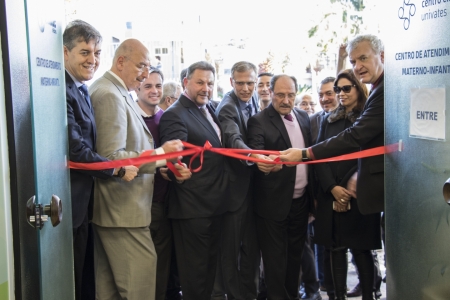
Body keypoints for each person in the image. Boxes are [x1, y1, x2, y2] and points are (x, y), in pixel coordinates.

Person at [89, 38, 188, 300]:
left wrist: (162, 163)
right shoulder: (109, 94)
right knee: (142, 289)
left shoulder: (118, 92)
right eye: (141, 66)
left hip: (122, 213)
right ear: (121, 61)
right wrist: (160, 154)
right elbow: (112, 158)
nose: (145, 74)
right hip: (123, 214)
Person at [63, 20, 139, 300]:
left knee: (86, 283)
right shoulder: (63, 92)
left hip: (86, 206)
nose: (92, 60)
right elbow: (75, 150)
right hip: (72, 205)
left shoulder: (81, 89)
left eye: (96, 53)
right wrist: (117, 168)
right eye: (85, 52)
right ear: (65, 53)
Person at [280, 33, 385, 215]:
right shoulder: (378, 87)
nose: (358, 67)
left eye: (363, 58)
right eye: (353, 62)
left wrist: (305, 154)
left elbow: (356, 135)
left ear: (382, 56)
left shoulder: (384, 89)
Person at [159, 61, 230, 300]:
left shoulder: (209, 109)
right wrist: (175, 168)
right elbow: (173, 154)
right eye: (200, 82)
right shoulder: (175, 114)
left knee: (208, 275)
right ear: (185, 83)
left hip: (214, 206)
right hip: (192, 209)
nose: (206, 88)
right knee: (195, 278)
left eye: (210, 83)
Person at [314, 69, 381, 300]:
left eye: (346, 88)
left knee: (362, 249)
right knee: (335, 249)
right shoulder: (328, 118)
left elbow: (370, 156)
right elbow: (319, 156)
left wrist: (348, 189)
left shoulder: (369, 116)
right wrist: (333, 188)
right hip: (331, 194)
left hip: (360, 193)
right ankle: (338, 296)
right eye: (337, 89)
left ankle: (369, 295)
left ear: (356, 87)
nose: (340, 93)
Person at [247, 74, 313, 300]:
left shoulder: (304, 118)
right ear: (271, 93)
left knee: (295, 259)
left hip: (301, 203)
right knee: (275, 263)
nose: (286, 100)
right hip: (272, 205)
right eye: (281, 95)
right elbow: (257, 155)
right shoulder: (259, 121)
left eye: (291, 95)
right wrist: (266, 165)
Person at [213, 61, 260, 300]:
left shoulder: (253, 100)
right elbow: (232, 138)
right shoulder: (227, 107)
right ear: (231, 82)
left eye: (250, 83)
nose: (245, 88)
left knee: (252, 250)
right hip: (233, 192)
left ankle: (249, 294)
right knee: (230, 253)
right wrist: (253, 156)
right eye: (239, 83)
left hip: (254, 190)